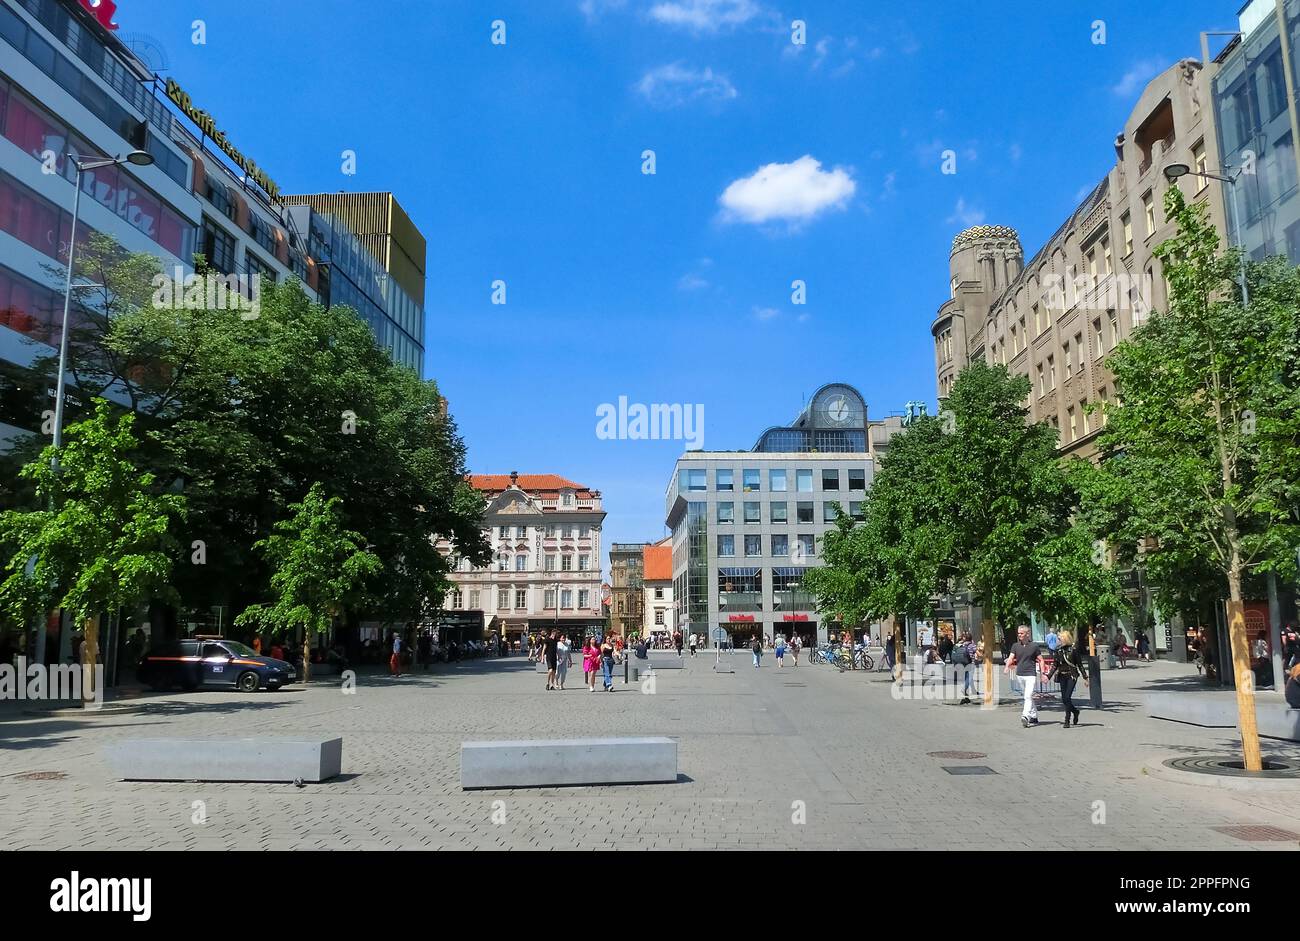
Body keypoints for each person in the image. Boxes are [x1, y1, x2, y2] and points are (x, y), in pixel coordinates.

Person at [1046, 630, 1088, 728]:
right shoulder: (1058, 650)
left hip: (1071, 676)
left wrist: (1086, 678)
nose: (1058, 640)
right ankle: (1075, 711)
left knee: (1067, 697)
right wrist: (1048, 676)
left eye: (1060, 638)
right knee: (1064, 699)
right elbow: (1055, 665)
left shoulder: (1073, 650)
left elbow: (1080, 665)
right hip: (1062, 676)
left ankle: (1067, 720)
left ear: (1065, 638)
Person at [1006, 624, 1042, 728]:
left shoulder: (1034, 646)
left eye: (1021, 633)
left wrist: (1043, 673)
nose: (1019, 635)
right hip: (1020, 674)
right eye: (1018, 633)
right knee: (1028, 696)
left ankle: (1025, 716)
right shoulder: (1015, 646)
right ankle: (1034, 716)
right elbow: (1011, 657)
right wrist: (1007, 666)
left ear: (1027, 634)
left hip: (1031, 674)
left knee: (1027, 696)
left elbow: (1041, 659)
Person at [953, 631, 976, 704]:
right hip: (970, 663)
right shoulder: (972, 645)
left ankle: (966, 696)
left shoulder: (962, 645)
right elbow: (977, 652)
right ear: (971, 638)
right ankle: (964, 689)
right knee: (969, 678)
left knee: (966, 677)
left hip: (963, 663)